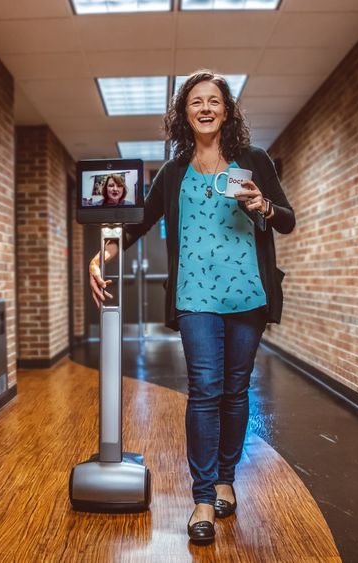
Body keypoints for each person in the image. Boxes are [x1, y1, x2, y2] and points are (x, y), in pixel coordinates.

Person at [88, 70, 295, 545]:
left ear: (226, 111)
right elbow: (139, 223)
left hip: (248, 295)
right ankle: (203, 496)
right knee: (205, 388)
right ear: (185, 113)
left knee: (236, 390)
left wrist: (263, 203)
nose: (205, 108)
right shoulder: (174, 171)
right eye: (195, 102)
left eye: (214, 101)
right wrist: (102, 255)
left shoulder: (254, 160)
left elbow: (287, 220)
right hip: (195, 298)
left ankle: (226, 479)